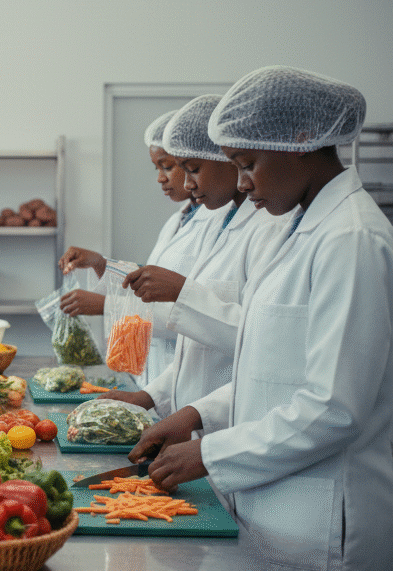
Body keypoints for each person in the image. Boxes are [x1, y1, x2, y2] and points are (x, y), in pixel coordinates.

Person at [129, 66, 393, 571]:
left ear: (301, 142)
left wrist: (210, 452)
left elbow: (334, 408)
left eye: (247, 164)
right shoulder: (293, 230)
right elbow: (269, 366)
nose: (243, 182)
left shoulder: (351, 240)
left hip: (323, 523)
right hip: (273, 508)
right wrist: (196, 414)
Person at [103, 94, 287, 417]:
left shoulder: (270, 228)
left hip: (226, 418)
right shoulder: (220, 221)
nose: (187, 184)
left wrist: (181, 293)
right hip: (190, 412)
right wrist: (150, 396)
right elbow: (195, 348)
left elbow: (264, 341)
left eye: (192, 169)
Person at [59, 109, 220, 387]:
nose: (160, 178)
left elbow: (196, 309)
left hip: (194, 375)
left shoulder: (218, 223)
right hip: (159, 371)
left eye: (168, 166)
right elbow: (152, 282)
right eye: (156, 168)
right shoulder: (179, 219)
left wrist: (107, 305)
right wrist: (100, 263)